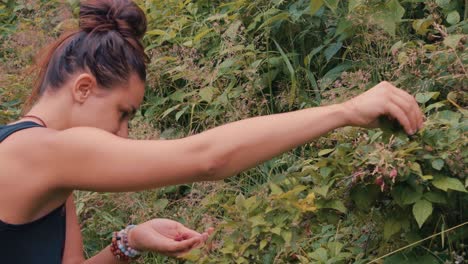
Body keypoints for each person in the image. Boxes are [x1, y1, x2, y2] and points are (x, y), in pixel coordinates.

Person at [0, 0, 424, 263]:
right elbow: (208, 159)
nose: (123, 133)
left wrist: (129, 242)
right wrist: (344, 110)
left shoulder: (39, 158)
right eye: (122, 113)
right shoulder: (44, 151)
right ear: (84, 88)